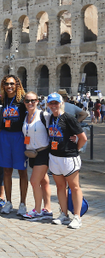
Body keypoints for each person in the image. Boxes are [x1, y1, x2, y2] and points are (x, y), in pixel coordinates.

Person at [46, 93, 87, 229]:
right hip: (55, 156)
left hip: (69, 157)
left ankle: (77, 216)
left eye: (55, 103)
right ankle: (63, 214)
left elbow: (83, 138)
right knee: (60, 187)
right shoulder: (51, 117)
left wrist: (76, 149)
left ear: (61, 103)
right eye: (51, 103)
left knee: (74, 187)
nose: (53, 106)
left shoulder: (68, 117)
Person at [0, 75, 29, 215]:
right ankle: (8, 202)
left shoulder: (23, 100)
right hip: (5, 136)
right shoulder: (2, 99)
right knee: (7, 171)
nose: (9, 86)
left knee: (22, 171)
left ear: (17, 85)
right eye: (6, 84)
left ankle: (22, 204)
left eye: (11, 84)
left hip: (19, 137)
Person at [21, 91, 52, 220]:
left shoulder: (44, 115)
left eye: (33, 100)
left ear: (38, 101)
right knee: (44, 180)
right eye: (27, 101)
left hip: (43, 152)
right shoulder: (25, 116)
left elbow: (59, 125)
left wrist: (72, 135)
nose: (30, 103)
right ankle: (48, 209)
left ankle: (37, 210)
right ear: (24, 102)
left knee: (34, 181)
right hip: (31, 153)